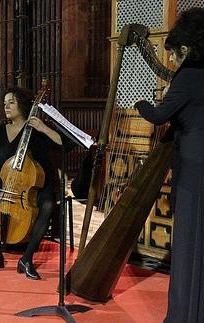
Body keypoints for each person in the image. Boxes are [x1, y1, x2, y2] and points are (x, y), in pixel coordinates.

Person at [134, 7, 204, 322]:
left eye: (174, 54)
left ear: (186, 49)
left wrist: (141, 101)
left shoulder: (188, 76)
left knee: (189, 247)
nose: (172, 62)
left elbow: (158, 116)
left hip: (193, 174)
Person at [0, 87, 62, 280]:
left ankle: (26, 259)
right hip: (4, 184)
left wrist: (43, 128)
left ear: (23, 104)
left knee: (48, 205)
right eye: (4, 103)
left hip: (36, 184)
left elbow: (63, 145)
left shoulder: (36, 131)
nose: (6, 107)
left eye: (11, 102)